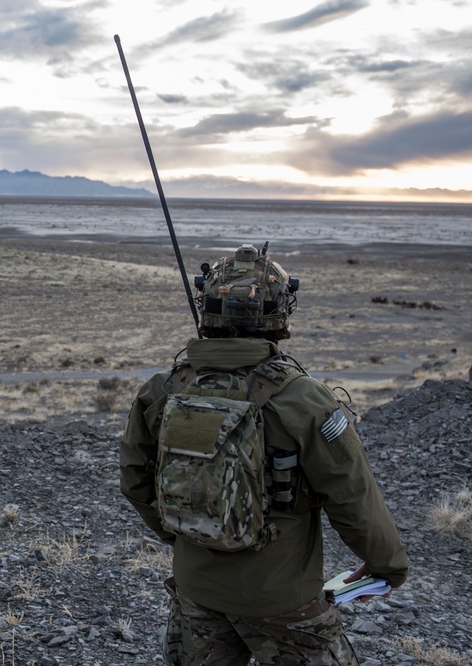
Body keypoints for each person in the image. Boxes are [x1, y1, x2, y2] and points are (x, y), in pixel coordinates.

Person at [119, 243, 409, 665]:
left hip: (196, 590)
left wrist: (187, 534)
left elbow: (135, 481)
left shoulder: (161, 391)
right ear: (279, 313)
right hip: (283, 599)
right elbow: (353, 496)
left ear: (207, 309)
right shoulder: (305, 400)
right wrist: (387, 566)